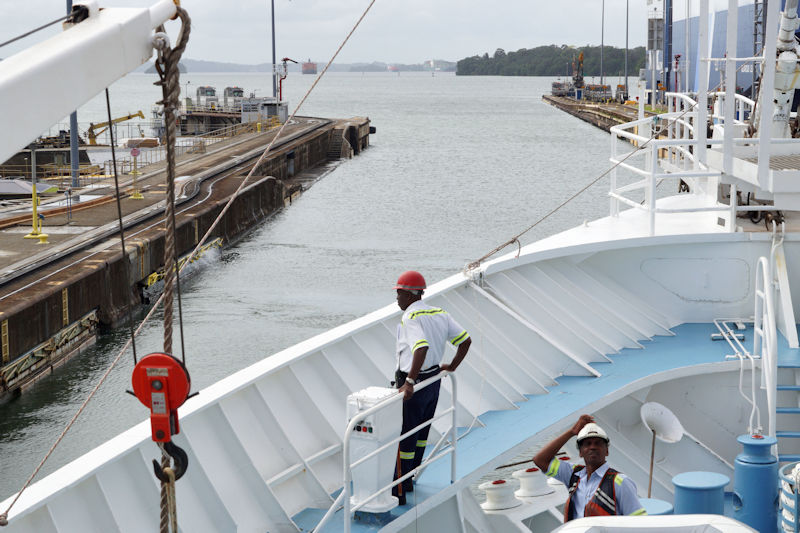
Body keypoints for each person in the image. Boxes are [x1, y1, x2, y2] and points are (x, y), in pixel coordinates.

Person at [392, 270, 471, 505]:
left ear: (408, 294)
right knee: (421, 434)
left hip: (414, 384)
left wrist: (408, 383)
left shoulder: (410, 317)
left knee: (405, 435)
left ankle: (399, 489)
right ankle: (410, 477)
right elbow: (465, 341)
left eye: (398, 293)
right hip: (433, 381)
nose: (396, 299)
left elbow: (421, 347)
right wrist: (452, 366)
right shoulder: (440, 313)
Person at [533, 414, 646, 522]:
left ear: (606, 451)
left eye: (598, 443)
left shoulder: (621, 482)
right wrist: (571, 432)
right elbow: (540, 460)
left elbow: (638, 522)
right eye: (587, 444)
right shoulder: (573, 474)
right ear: (580, 452)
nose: (593, 447)